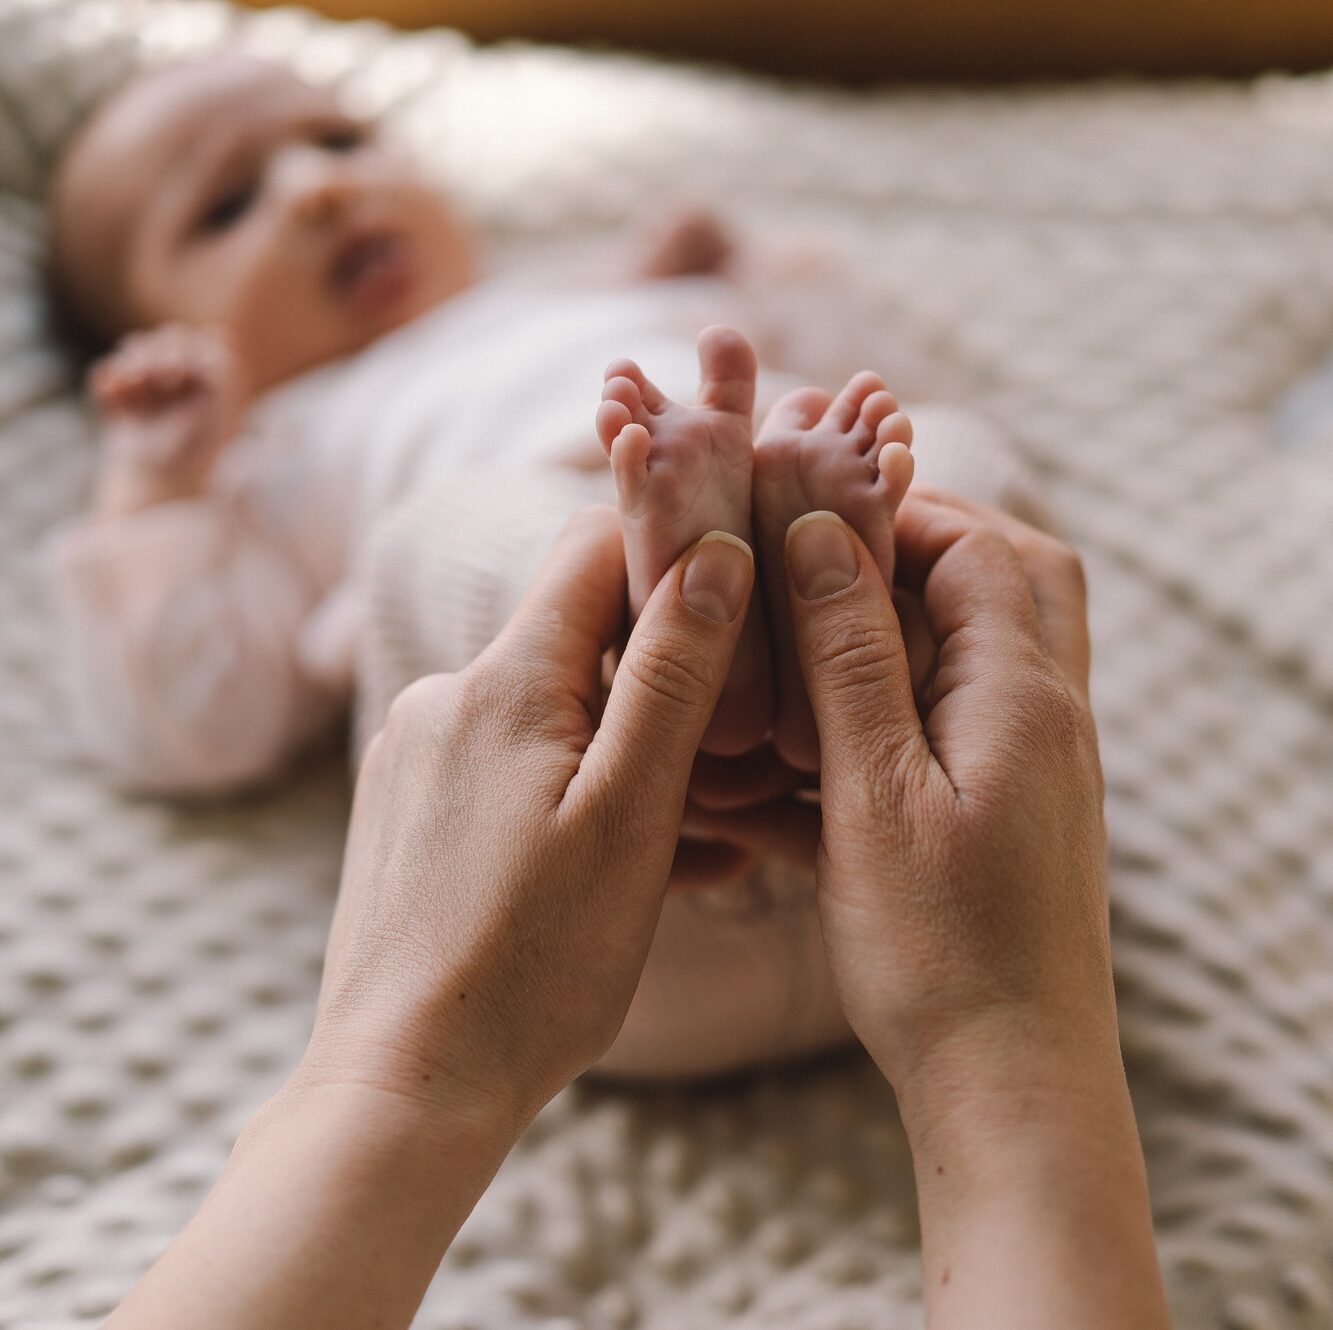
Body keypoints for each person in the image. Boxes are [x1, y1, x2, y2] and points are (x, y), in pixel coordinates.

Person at [102, 486, 1171, 1329]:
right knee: (447, 534)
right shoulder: (309, 424)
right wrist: (157, 493)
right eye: (223, 212)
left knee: (963, 472)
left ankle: (719, 581)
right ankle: (725, 605)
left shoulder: (613, 280)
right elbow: (206, 702)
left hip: (633, 929)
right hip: (709, 911)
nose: (317, 196)